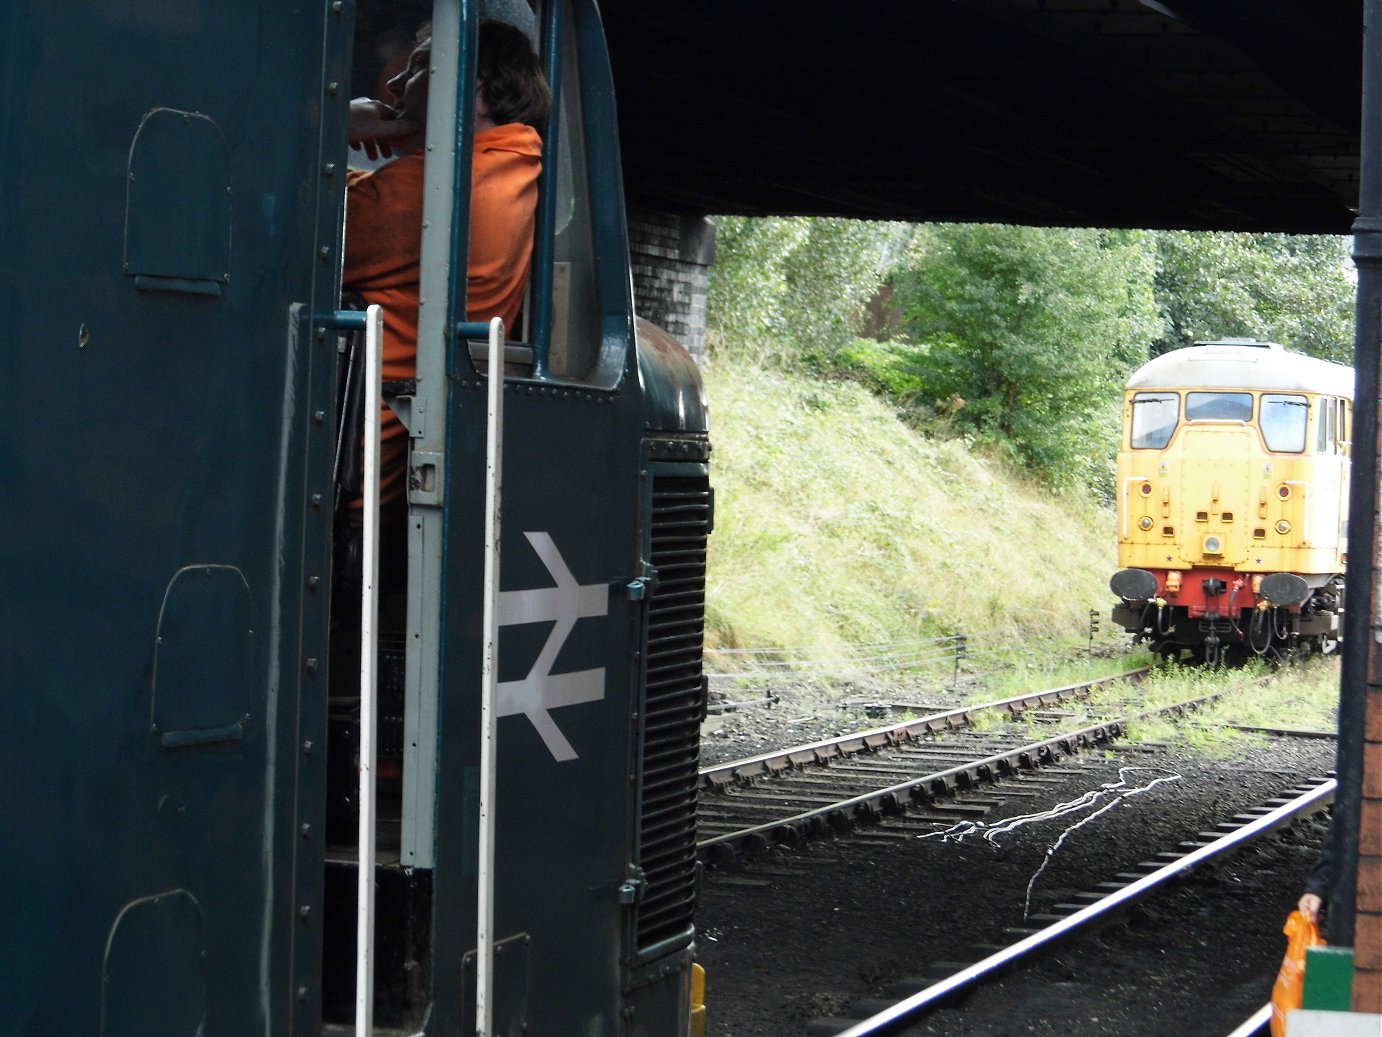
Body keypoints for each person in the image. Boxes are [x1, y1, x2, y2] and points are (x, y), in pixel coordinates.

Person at [343, 18, 551, 514]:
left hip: (345, 467)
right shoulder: (512, 163)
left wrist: (329, 124)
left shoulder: (440, 190)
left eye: (418, 69)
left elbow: (287, 232)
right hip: (387, 450)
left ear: (474, 91)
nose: (394, 85)